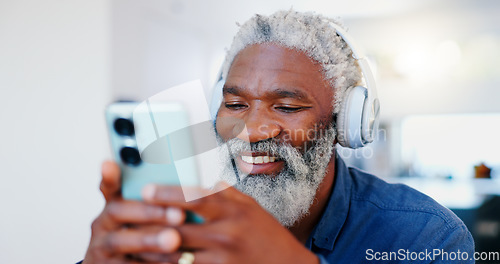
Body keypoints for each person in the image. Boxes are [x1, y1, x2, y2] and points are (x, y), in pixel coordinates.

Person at [80, 10, 474, 264]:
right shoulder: (187, 214)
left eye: (286, 108)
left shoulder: (426, 237)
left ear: (345, 123)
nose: (252, 131)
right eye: (234, 105)